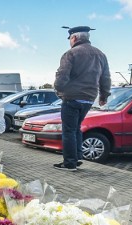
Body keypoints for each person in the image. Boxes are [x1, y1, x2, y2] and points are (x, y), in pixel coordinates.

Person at [53, 26, 111, 171]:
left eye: (70, 39)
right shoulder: (101, 55)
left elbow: (62, 76)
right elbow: (106, 78)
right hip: (89, 98)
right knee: (76, 128)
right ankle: (77, 158)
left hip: (72, 97)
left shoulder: (71, 54)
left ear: (74, 38)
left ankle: (69, 163)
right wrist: (103, 96)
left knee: (68, 130)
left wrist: (58, 89)